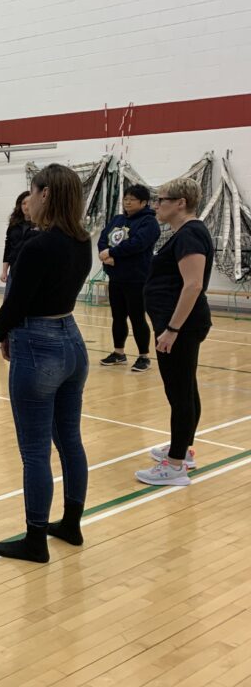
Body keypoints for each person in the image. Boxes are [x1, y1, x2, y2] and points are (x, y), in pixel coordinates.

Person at [0, 164, 92, 563]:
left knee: (34, 450)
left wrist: (0, 333)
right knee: (69, 440)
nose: (27, 199)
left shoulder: (37, 246)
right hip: (71, 340)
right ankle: (71, 523)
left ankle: (35, 540)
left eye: (31, 191)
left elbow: (17, 304)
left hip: (38, 344)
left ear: (46, 194)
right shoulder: (81, 240)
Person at [135, 177, 213, 486]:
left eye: (161, 200)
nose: (156, 205)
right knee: (185, 388)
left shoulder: (190, 234)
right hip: (177, 325)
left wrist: (172, 329)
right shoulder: (184, 233)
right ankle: (183, 448)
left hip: (180, 327)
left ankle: (176, 464)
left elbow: (193, 285)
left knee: (179, 393)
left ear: (180, 203)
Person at [96, 184, 158, 372]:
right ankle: (119, 353)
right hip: (116, 277)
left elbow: (137, 244)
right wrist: (105, 254)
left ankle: (143, 356)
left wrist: (113, 253)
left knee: (137, 317)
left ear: (144, 202)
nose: (127, 202)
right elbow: (103, 239)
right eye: (126, 198)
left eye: (132, 199)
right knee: (118, 317)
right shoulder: (118, 219)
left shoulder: (149, 223)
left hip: (137, 278)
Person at [0, 191, 34, 349]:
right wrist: (4, 270)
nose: (26, 206)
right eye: (23, 203)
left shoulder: (40, 225)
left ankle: (18, 338)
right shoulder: (15, 224)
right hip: (14, 270)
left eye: (29, 203)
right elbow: (8, 248)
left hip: (29, 271)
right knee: (7, 303)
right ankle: (0, 338)